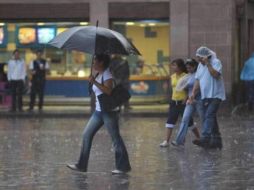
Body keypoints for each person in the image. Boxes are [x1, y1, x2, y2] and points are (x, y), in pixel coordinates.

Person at [67, 54, 131, 174]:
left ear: (101, 63)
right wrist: (92, 81)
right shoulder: (98, 73)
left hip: (108, 112)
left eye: (95, 61)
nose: (93, 63)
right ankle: (82, 165)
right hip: (98, 111)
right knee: (86, 135)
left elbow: (108, 90)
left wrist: (95, 82)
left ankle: (123, 167)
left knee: (115, 138)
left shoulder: (107, 74)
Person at [190, 46, 226, 149]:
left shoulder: (216, 62)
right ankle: (217, 141)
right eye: (198, 58)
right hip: (206, 95)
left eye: (200, 58)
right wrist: (193, 93)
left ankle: (205, 138)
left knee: (209, 115)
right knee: (211, 118)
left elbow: (215, 75)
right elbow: (197, 80)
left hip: (216, 95)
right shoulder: (200, 66)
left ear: (206, 57)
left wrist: (208, 64)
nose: (199, 60)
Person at [160, 59, 199, 147]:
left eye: (175, 65)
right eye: (172, 65)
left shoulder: (186, 76)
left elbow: (188, 89)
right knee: (170, 121)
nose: (173, 67)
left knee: (189, 123)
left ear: (180, 67)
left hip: (183, 102)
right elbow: (173, 89)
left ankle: (199, 137)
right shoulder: (172, 76)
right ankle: (166, 141)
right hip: (174, 101)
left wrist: (185, 99)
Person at [171, 59, 202, 147]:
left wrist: (193, 95)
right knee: (185, 119)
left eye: (190, 68)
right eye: (187, 68)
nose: (188, 69)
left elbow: (200, 87)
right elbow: (184, 87)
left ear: (194, 66)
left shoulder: (199, 75)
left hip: (199, 100)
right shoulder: (189, 75)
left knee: (204, 119)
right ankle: (179, 141)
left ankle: (207, 138)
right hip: (190, 100)